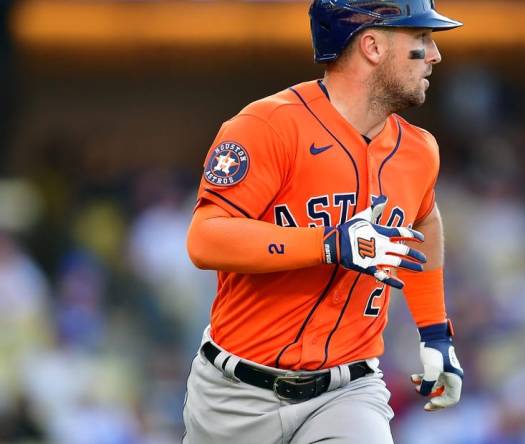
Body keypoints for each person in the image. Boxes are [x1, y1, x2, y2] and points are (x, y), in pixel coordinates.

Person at [183, 1, 464, 442]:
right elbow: (205, 240)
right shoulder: (268, 125)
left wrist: (435, 334)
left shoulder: (418, 150)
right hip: (236, 396)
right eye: (421, 38)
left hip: (348, 391)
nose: (434, 55)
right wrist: (329, 244)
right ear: (372, 45)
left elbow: (425, 222)